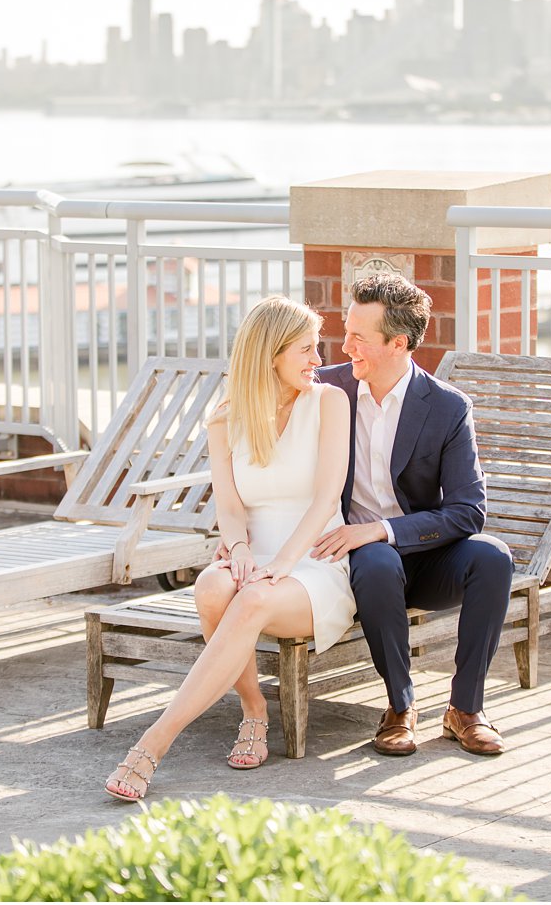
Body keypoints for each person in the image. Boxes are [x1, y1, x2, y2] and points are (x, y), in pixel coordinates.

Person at [105, 295, 352, 801]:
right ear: (271, 354)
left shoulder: (329, 403)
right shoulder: (225, 418)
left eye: (317, 347)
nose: (317, 360)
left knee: (252, 598)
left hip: (315, 562)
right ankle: (255, 711)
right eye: (306, 349)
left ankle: (153, 743)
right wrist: (239, 549)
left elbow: (327, 497)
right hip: (257, 555)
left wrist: (279, 566)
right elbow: (231, 504)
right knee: (212, 587)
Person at [311, 273, 515, 757]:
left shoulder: (446, 407)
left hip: (425, 556)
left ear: (398, 343)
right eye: (347, 331)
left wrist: (381, 529)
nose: (346, 345)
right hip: (355, 560)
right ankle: (399, 709)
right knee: (377, 561)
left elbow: (469, 510)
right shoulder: (325, 389)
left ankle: (465, 710)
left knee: (493, 557)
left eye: (359, 337)